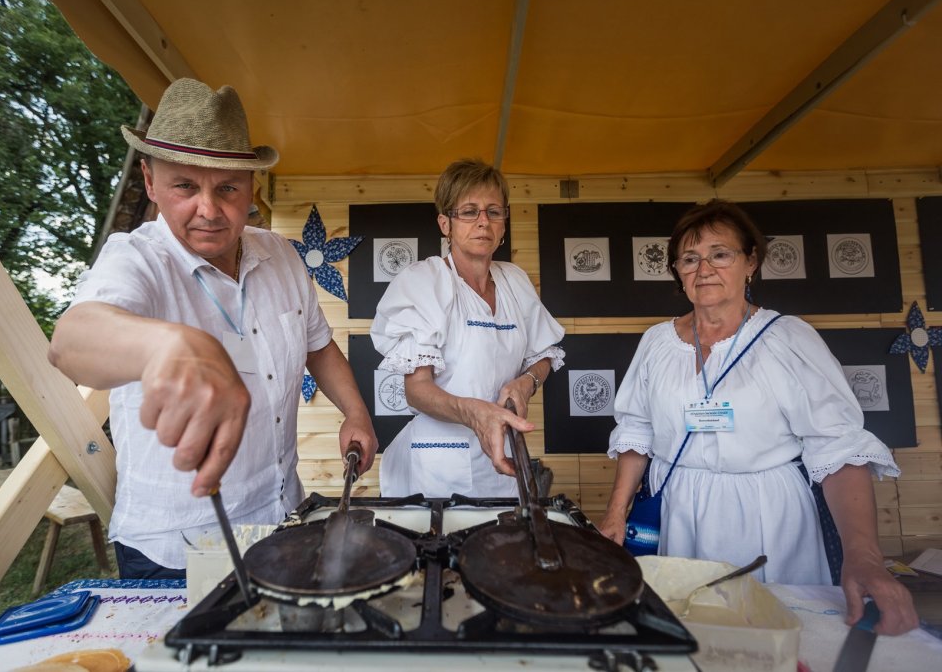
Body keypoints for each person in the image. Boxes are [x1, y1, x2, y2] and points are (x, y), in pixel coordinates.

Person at [48, 78, 377, 579]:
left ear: (252, 188)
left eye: (227, 188)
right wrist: (172, 345)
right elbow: (71, 341)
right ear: (150, 181)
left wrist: (356, 412)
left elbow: (319, 347)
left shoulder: (283, 256)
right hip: (174, 551)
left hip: (281, 520)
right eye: (185, 186)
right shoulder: (136, 258)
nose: (209, 209)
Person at [598, 199, 917, 635]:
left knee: (776, 634)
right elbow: (637, 430)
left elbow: (838, 448)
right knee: (687, 633)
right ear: (677, 271)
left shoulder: (787, 338)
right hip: (679, 512)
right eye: (689, 259)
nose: (703, 269)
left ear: (750, 262)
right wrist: (616, 513)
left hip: (770, 514)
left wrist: (864, 556)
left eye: (720, 254)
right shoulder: (657, 342)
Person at [370, 159, 565, 498]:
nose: (483, 222)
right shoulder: (423, 282)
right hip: (437, 469)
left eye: (494, 211)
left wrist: (526, 383)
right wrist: (474, 413)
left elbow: (543, 355)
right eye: (469, 211)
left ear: (504, 222)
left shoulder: (515, 281)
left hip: (502, 460)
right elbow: (417, 390)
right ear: (445, 223)